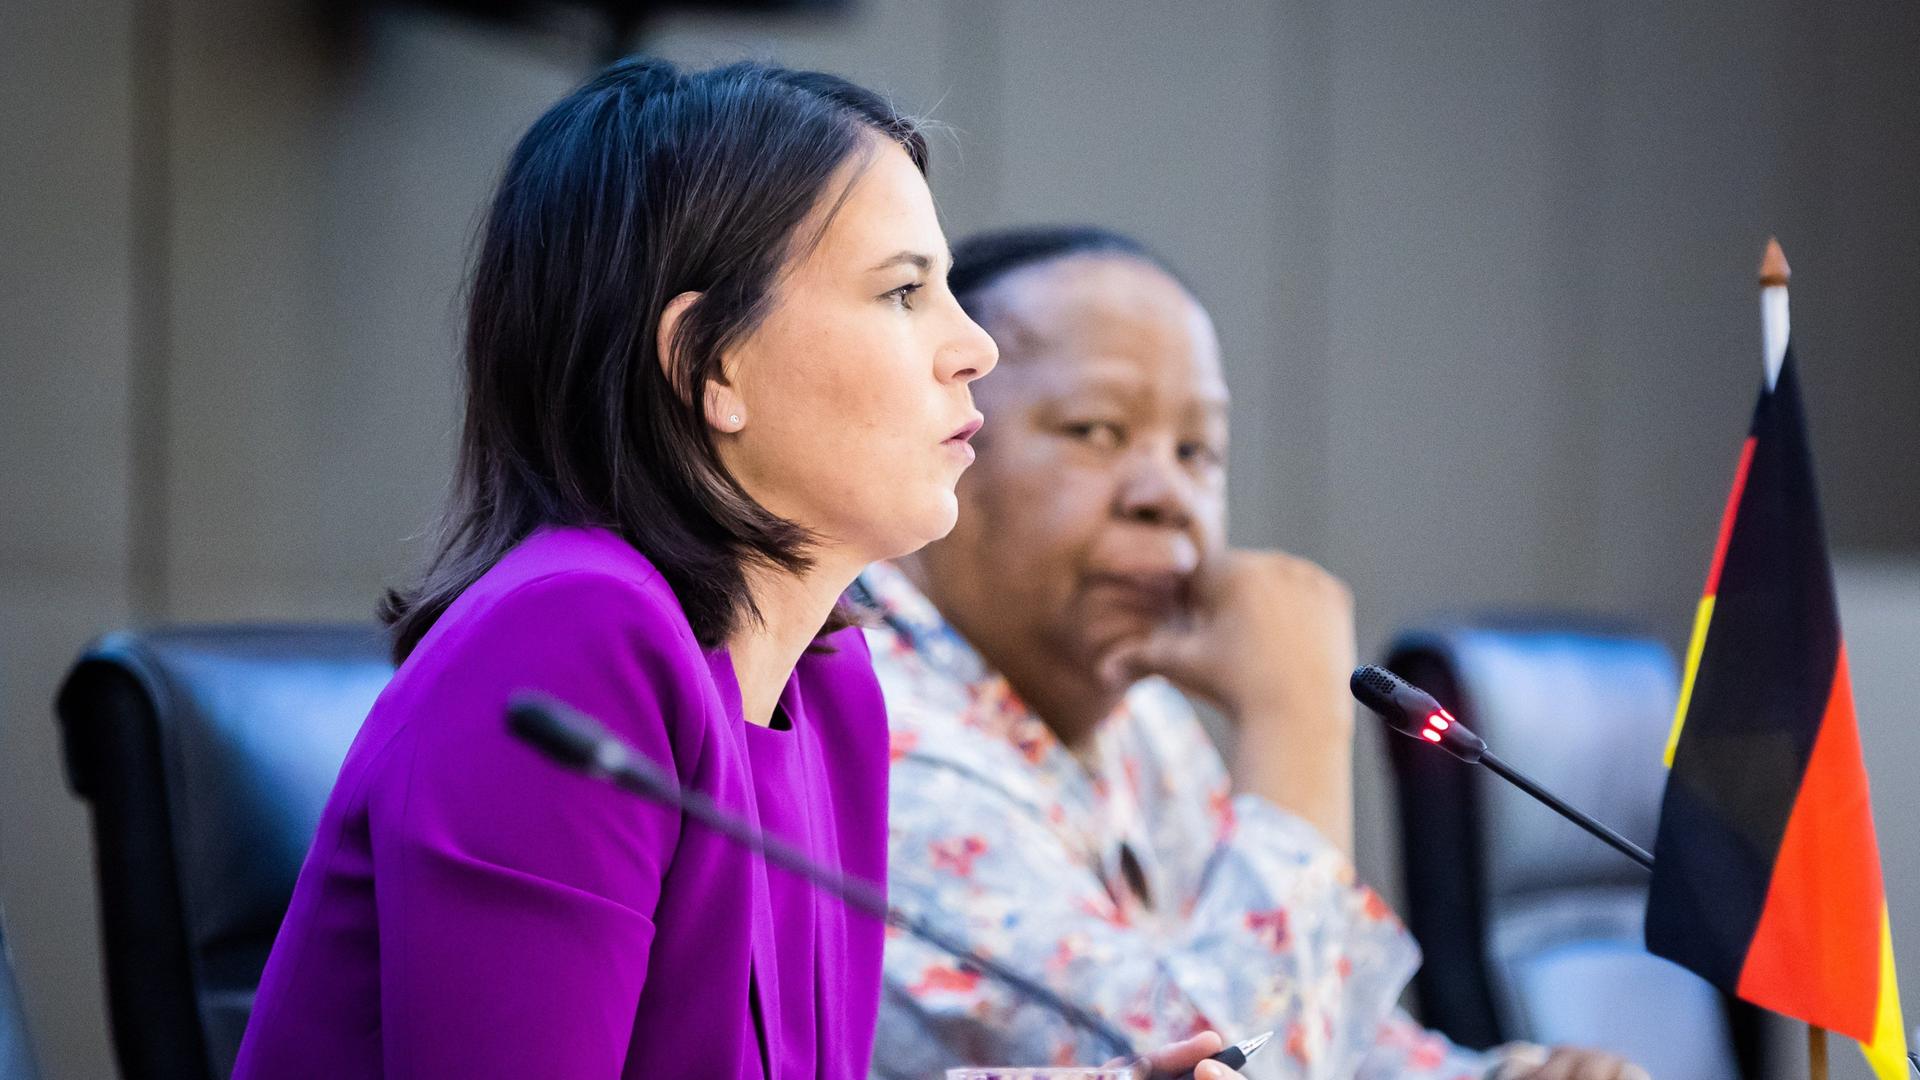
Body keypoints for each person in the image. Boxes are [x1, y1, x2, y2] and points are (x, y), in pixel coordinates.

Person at [862, 227, 1651, 1080]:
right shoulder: (868, 727)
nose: (1167, 495)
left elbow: (1337, 1042)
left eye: (1196, 450)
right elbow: (1226, 1068)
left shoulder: (1144, 724)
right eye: (1096, 430)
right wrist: (1298, 719)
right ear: (943, 435)